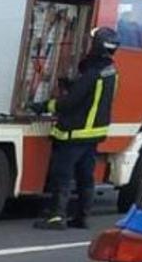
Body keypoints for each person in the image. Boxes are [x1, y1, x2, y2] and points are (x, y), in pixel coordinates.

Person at [30, 26, 119, 230]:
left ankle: (57, 217)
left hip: (75, 134)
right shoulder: (111, 72)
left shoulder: (92, 73)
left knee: (62, 175)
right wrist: (72, 85)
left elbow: (69, 103)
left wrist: (44, 105)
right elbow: (92, 97)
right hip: (93, 135)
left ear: (96, 46)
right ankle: (81, 217)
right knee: (85, 177)